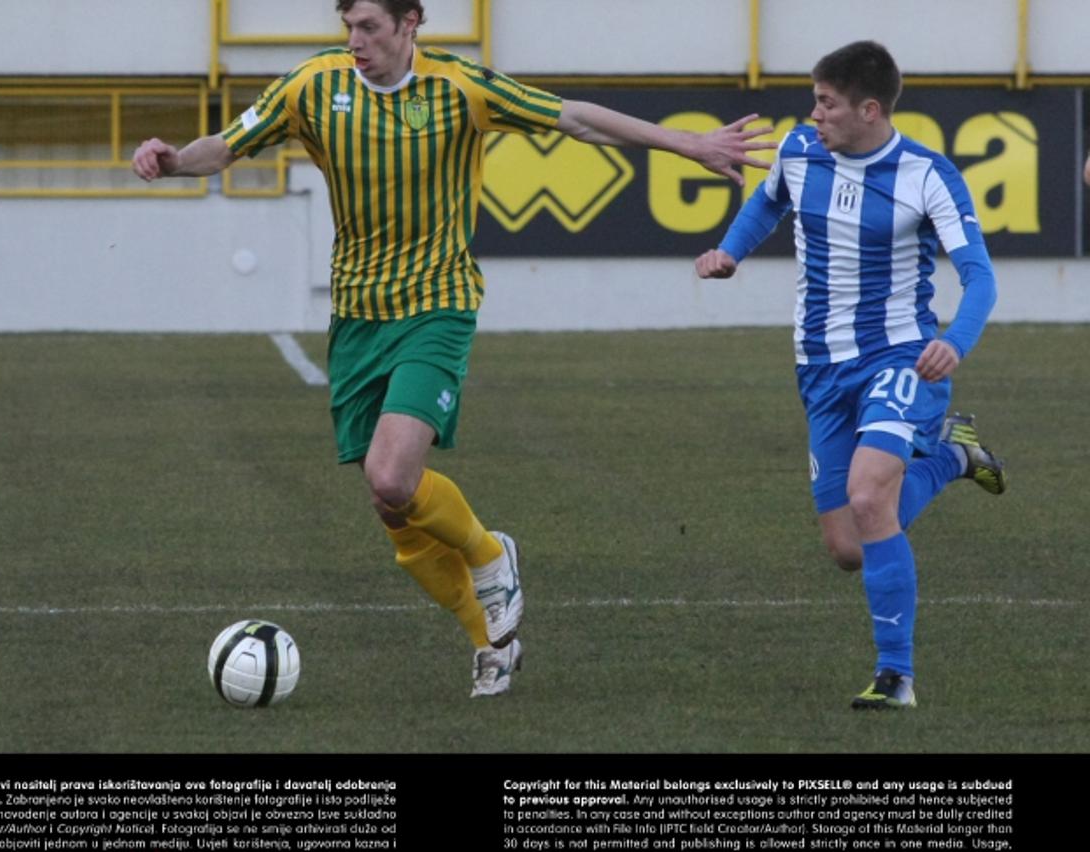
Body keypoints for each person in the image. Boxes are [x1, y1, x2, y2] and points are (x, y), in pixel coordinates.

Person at [135, 0, 773, 699]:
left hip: (437, 307)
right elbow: (225, 146)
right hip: (357, 319)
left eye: (370, 27)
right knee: (393, 510)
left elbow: (577, 118)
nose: (355, 42)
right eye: (348, 27)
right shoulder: (313, 88)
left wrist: (690, 145)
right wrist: (171, 162)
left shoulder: (460, 88)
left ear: (411, 24)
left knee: (390, 478)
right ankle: (490, 643)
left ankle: (490, 553)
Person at [695, 41, 1007, 710]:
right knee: (848, 546)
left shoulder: (927, 174)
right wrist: (730, 251)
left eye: (827, 103)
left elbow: (980, 276)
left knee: (869, 500)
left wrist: (956, 341)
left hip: (900, 358)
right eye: (814, 100)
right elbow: (766, 204)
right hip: (819, 366)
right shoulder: (798, 152)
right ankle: (953, 457)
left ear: (870, 109)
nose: (815, 115)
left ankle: (896, 676)